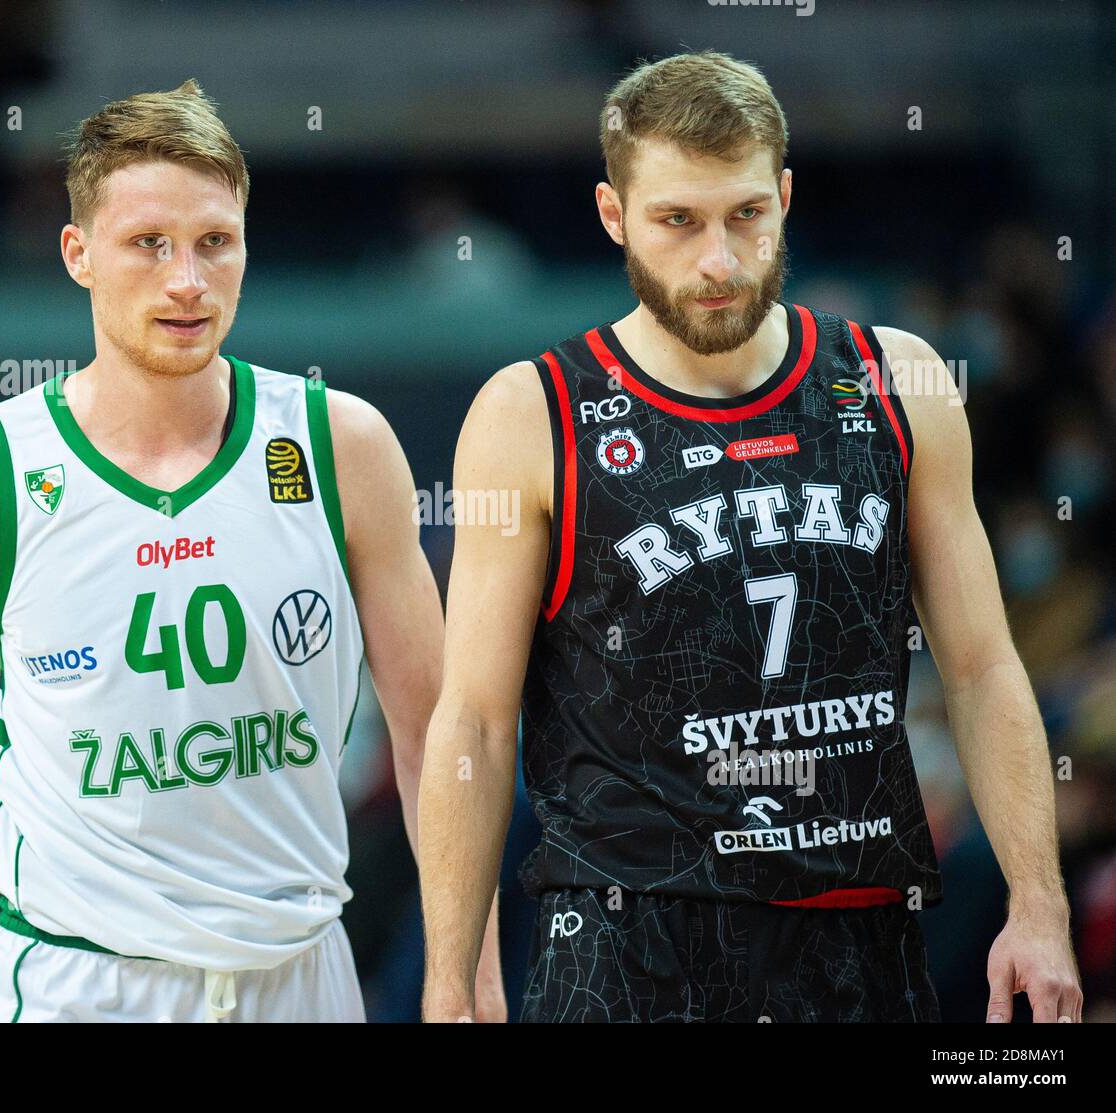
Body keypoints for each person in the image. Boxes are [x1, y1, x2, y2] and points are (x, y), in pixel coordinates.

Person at [418, 51, 1082, 1023]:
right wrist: (448, 979)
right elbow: (472, 721)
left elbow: (982, 668)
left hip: (856, 931)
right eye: (677, 221)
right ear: (613, 216)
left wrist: (1038, 902)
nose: (717, 260)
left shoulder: (896, 380)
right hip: (623, 938)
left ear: (783, 196)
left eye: (744, 216)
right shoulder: (533, 412)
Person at [0, 80, 502, 1023]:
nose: (187, 278)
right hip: (76, 982)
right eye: (150, 244)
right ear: (79, 254)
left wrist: (468, 972)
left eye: (215, 242)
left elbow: (437, 733)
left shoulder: (342, 446)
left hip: (300, 977)